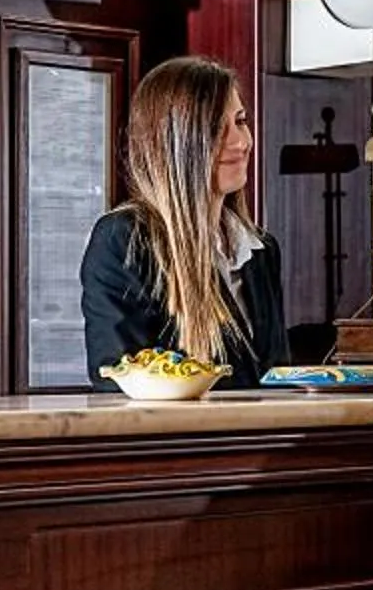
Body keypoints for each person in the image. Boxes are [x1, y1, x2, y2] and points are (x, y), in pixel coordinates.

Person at [80, 56, 286, 388]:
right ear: (175, 142)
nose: (241, 142)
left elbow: (275, 378)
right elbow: (118, 381)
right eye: (218, 129)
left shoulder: (261, 249)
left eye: (241, 121)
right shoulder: (124, 239)